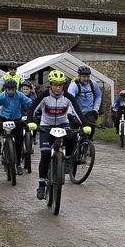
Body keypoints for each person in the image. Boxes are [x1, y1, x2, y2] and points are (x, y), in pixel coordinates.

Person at [27, 70, 89, 200]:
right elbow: (32, 109)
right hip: (46, 126)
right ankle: (41, 185)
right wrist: (30, 122)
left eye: (60, 85)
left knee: (71, 137)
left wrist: (85, 124)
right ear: (50, 84)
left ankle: (68, 161)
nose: (58, 88)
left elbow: (77, 111)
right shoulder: (44, 96)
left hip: (62, 124)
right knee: (45, 154)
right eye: (55, 84)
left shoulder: (68, 97)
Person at [0, 79, 32, 175]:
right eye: (9, 89)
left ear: (16, 89)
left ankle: (18, 164)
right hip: (3, 118)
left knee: (19, 143)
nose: (11, 91)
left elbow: (29, 102)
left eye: (13, 89)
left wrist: (34, 109)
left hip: (17, 119)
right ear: (6, 89)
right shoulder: (2, 96)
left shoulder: (20, 95)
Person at [67, 66, 102, 138]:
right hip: (76, 113)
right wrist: (69, 112)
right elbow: (70, 100)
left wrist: (95, 109)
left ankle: (88, 141)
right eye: (84, 77)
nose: (86, 79)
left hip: (88, 112)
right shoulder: (74, 86)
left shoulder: (93, 84)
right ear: (79, 76)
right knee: (71, 136)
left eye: (88, 76)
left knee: (90, 128)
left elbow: (98, 96)